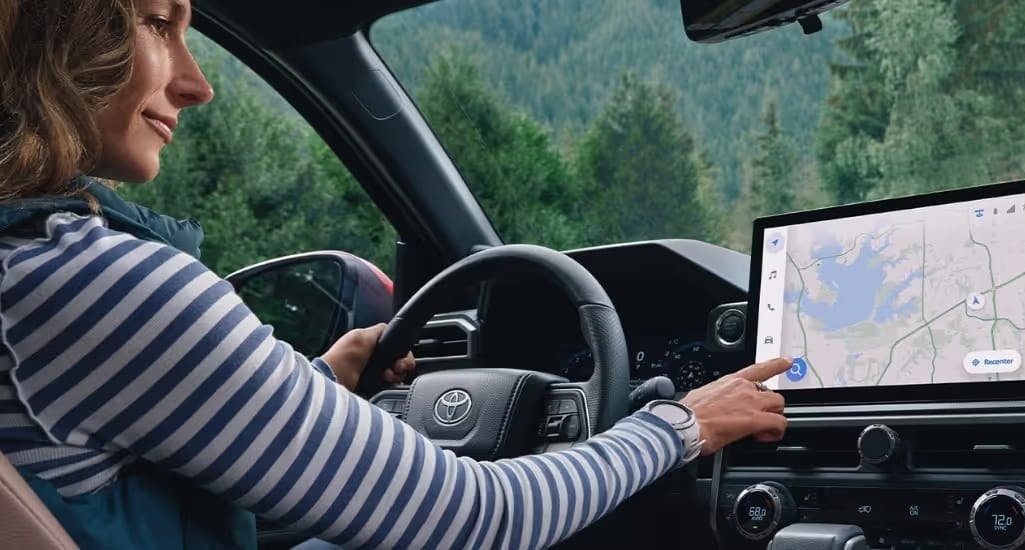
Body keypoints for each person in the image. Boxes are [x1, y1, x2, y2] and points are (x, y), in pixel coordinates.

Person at [0, 0, 790, 548]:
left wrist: (321, 377)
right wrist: (681, 425)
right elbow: (480, 520)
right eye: (159, 25)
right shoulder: (88, 281)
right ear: (55, 32)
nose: (196, 83)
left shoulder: (32, 271)